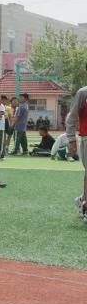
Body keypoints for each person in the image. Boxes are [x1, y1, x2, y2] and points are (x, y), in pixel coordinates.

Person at [65, 72, 87, 219]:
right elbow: (71, 118)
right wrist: (72, 139)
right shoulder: (83, 93)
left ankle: (82, 199)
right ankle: (85, 206)